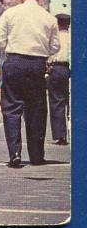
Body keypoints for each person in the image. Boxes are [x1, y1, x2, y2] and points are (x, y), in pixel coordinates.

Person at [0, 0, 60, 168]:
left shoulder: (10, 13)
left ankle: (15, 153)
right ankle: (37, 156)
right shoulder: (49, 18)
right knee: (36, 109)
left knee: (12, 108)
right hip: (37, 64)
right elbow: (55, 46)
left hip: (14, 62)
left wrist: (12, 48)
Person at [47, 13, 70, 145]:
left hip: (56, 69)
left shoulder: (54, 38)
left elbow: (49, 55)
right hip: (70, 69)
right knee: (71, 101)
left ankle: (61, 136)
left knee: (57, 102)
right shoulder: (73, 37)